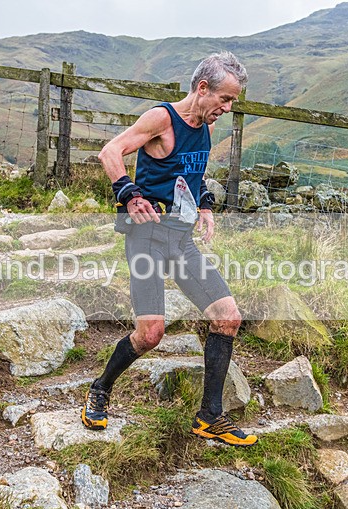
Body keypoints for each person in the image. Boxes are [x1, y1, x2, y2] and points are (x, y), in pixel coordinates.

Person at [80, 51, 257, 447]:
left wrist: (205, 204)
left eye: (233, 101)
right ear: (202, 88)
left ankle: (210, 417)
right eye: (225, 99)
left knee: (228, 317)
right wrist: (129, 194)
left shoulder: (206, 125)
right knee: (151, 334)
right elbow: (110, 152)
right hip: (146, 236)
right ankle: (100, 388)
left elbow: (191, 172)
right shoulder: (162, 118)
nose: (228, 108)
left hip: (180, 238)